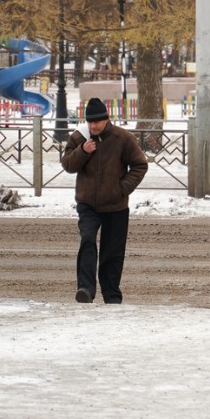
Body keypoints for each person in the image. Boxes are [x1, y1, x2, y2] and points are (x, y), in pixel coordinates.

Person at [61, 98, 148, 303]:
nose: (93, 126)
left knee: (113, 252)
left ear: (106, 119)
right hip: (87, 204)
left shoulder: (122, 138)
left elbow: (140, 165)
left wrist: (122, 189)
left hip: (116, 205)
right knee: (88, 241)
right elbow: (67, 164)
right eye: (90, 122)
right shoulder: (79, 137)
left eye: (97, 122)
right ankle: (85, 289)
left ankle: (111, 296)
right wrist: (83, 151)